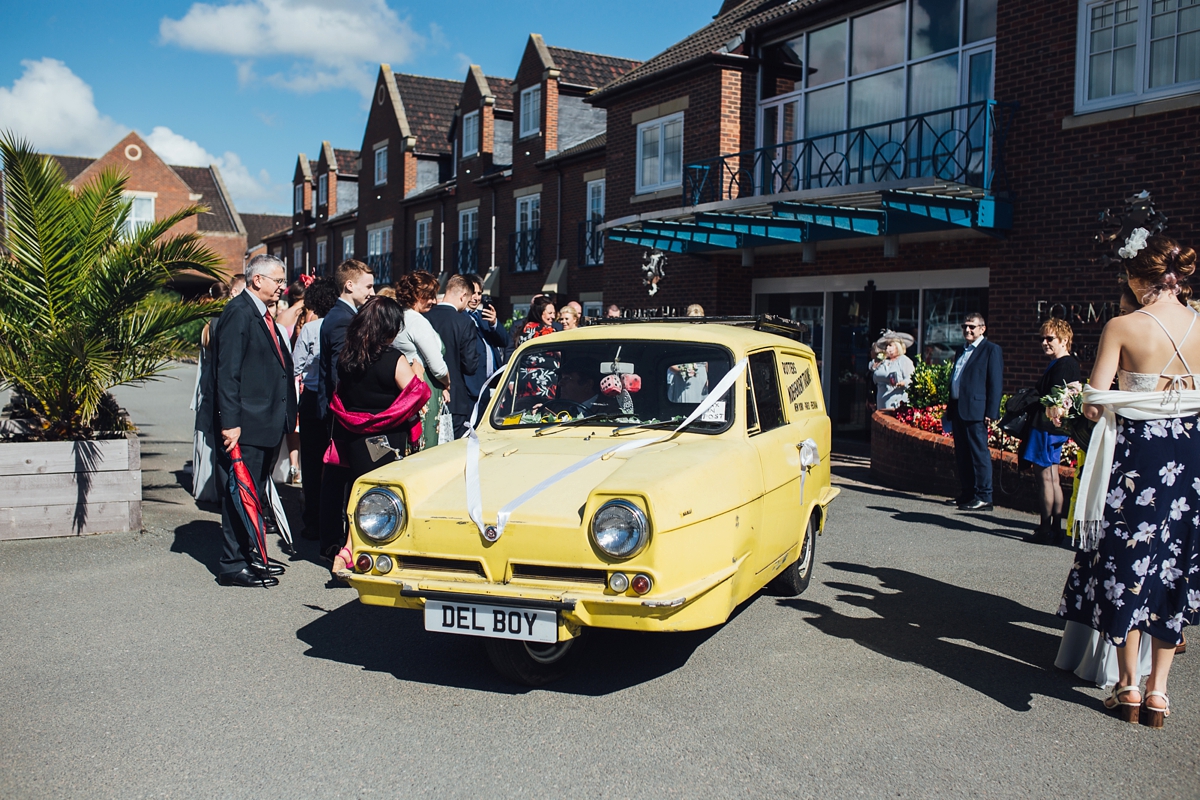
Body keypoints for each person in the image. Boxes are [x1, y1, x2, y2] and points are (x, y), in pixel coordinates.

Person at [1059, 232, 1199, 728]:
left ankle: (1128, 687)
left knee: (1128, 561)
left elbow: (1095, 405)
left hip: (1140, 457)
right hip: (1188, 455)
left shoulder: (1123, 326)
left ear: (1143, 280)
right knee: (1173, 563)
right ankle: (1160, 693)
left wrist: (1087, 399)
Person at [209, 255, 296, 587]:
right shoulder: (239, 313)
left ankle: (252, 553)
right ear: (257, 279)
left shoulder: (261, 314)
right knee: (239, 494)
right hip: (246, 424)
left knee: (253, 493)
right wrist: (230, 423)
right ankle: (233, 564)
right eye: (277, 280)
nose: (282, 287)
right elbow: (227, 375)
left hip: (266, 422)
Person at [325, 297, 430, 574]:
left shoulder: (347, 357)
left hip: (354, 436)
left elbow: (341, 395)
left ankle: (348, 548)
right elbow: (415, 394)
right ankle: (357, 551)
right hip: (386, 437)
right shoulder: (392, 359)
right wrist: (417, 371)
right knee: (383, 497)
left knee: (358, 492)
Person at [317, 259, 375, 561]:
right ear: (349, 285)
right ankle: (333, 543)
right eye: (368, 286)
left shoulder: (343, 315)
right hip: (343, 412)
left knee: (337, 479)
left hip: (339, 411)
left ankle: (333, 540)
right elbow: (344, 369)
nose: (372, 291)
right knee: (338, 479)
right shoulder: (342, 319)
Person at [1024, 319, 1081, 545]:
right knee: (1053, 478)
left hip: (1047, 427)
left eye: (1050, 339)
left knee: (1046, 479)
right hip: (1052, 428)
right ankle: (1053, 528)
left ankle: (1047, 528)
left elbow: (1059, 398)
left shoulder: (1064, 364)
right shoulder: (1063, 363)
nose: (1045, 343)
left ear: (1064, 340)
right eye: (1042, 339)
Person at [291, 277, 338, 540]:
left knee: (311, 460)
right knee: (334, 460)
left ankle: (313, 520)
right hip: (335, 398)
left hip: (311, 397)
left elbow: (294, 367)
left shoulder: (311, 329)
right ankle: (334, 516)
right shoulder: (344, 325)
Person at [945, 313, 1003, 511]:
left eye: (972, 327)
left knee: (979, 454)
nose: (967, 330)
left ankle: (984, 496)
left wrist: (991, 411)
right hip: (959, 407)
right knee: (962, 454)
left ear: (982, 329)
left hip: (977, 411)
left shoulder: (991, 350)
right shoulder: (961, 349)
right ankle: (968, 493)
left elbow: (995, 383)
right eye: (965, 326)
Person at [393, 271, 450, 449]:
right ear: (418, 295)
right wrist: (447, 383)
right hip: (424, 388)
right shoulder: (417, 321)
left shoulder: (396, 317)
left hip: (404, 387)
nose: (434, 301)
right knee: (426, 445)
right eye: (430, 296)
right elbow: (438, 367)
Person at [424, 274, 480, 440]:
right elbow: (470, 366)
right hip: (455, 398)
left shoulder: (425, 317)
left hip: (427, 395)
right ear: (463, 296)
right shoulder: (464, 322)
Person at [463, 274, 510, 415]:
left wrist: (494, 323)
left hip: (492, 382)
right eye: (473, 293)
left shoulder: (483, 316)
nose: (476, 298)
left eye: (479, 293)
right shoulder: (460, 317)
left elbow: (504, 341)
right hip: (472, 385)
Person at [870, 337, 915, 410]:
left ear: (897, 347)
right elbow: (872, 370)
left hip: (896, 401)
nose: (887, 347)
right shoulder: (883, 361)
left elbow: (911, 378)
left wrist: (903, 383)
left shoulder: (904, 360)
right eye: (886, 345)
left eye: (890, 345)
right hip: (881, 401)